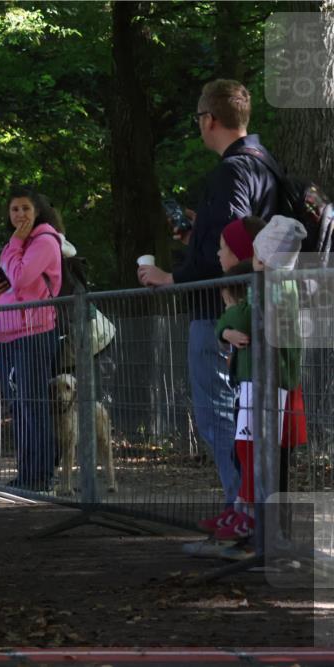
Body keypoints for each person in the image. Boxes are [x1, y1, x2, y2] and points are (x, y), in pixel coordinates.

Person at [138, 80, 282, 524]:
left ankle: (242, 512)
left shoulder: (230, 170)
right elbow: (242, 232)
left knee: (220, 413)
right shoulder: (264, 164)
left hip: (218, 312)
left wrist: (172, 276)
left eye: (199, 119)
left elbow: (233, 245)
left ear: (210, 120)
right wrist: (198, 233)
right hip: (252, 308)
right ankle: (251, 511)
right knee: (244, 416)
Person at [207, 216, 308, 543]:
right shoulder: (271, 284)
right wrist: (226, 326)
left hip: (269, 383)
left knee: (256, 450)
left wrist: (227, 316)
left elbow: (246, 315)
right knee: (246, 447)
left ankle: (256, 521)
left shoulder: (272, 286)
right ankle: (244, 510)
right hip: (257, 381)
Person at [0, 186, 63, 491]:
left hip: (33, 333)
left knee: (32, 404)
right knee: (18, 406)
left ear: (37, 212)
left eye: (25, 209)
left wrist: (16, 243)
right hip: (7, 334)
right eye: (14, 209)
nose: (19, 215)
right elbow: (10, 287)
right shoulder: (16, 244)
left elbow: (21, 278)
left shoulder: (43, 241)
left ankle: (41, 474)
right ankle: (26, 472)